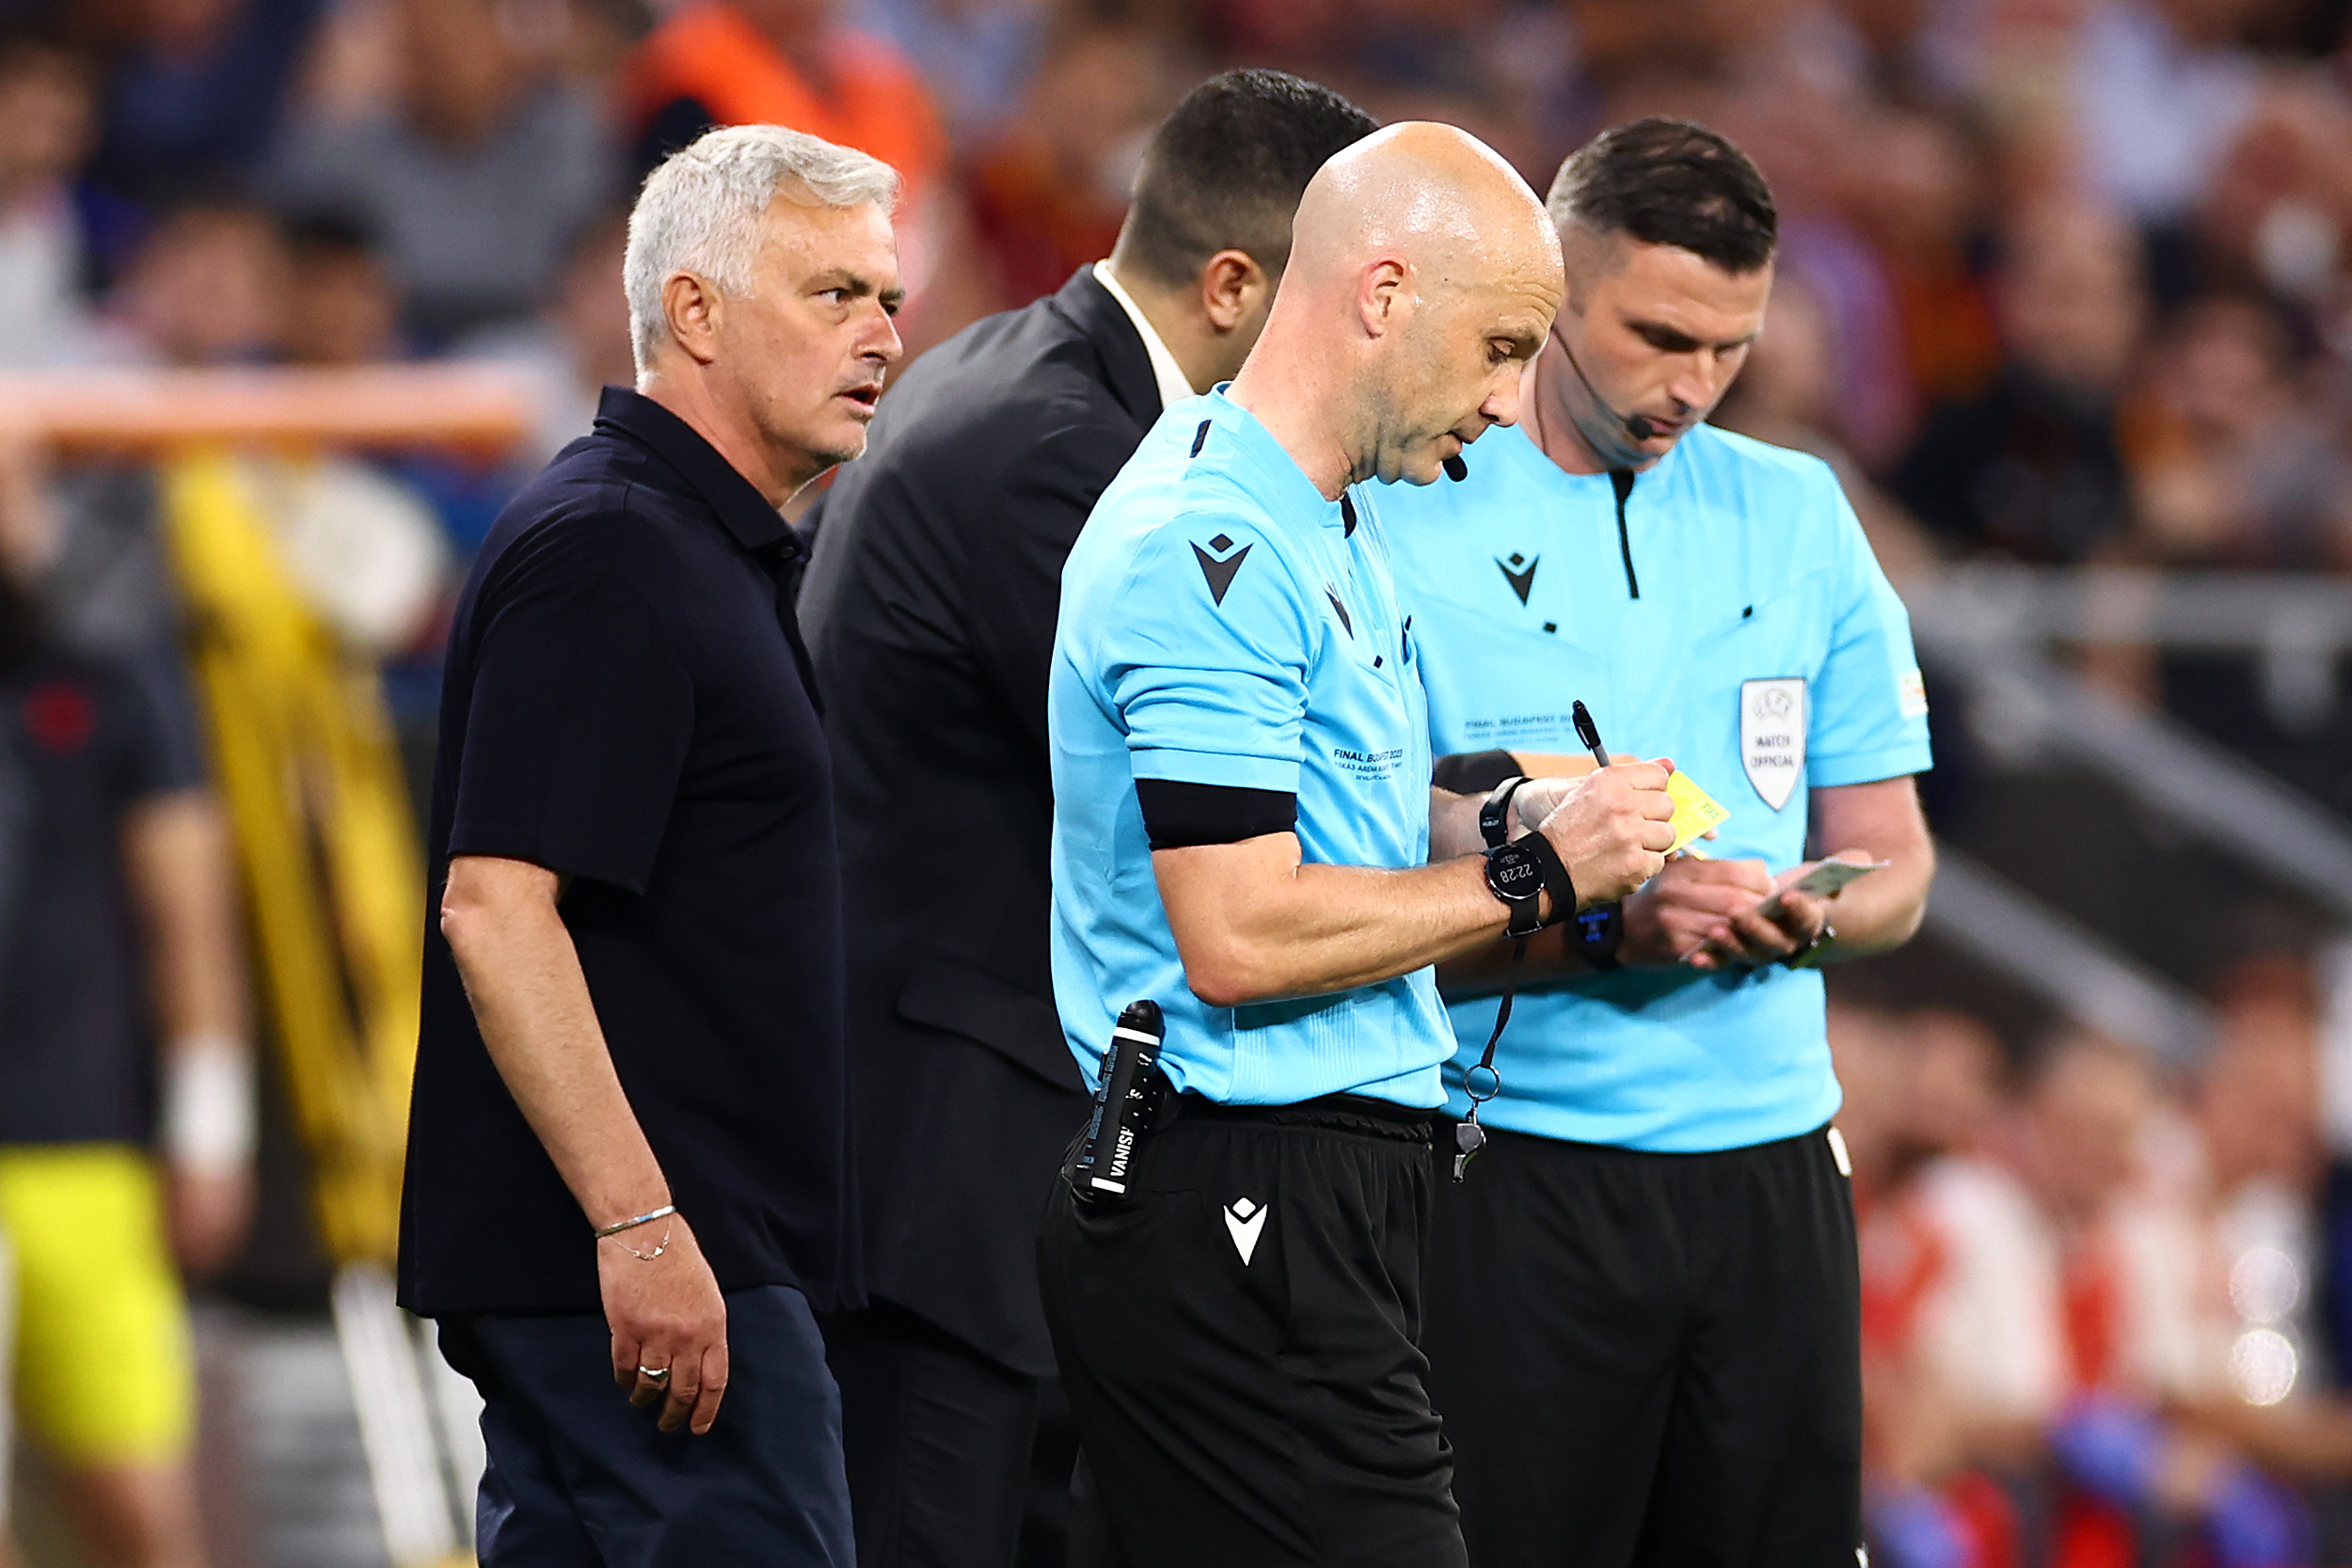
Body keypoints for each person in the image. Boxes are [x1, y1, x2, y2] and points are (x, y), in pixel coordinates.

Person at [1040, 119, 1679, 1568]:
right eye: (1504, 346)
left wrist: (1535, 817)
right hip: (1244, 1183)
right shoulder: (1209, 549)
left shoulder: (1326, 520)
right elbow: (1242, 930)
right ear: (1383, 295)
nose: (1515, 405)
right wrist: (1531, 877)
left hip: (1302, 1187)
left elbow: (1344, 828)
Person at [800, 68, 1377, 1568]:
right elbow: (1238, 815)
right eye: (1359, 304)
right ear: (1240, 286)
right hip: (956, 1180)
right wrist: (1507, 857)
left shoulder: (1015, 375)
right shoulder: (1066, 460)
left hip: (982, 1158)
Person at [1373, 117, 1938, 1567]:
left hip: (1771, 1173)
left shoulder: (1800, 514)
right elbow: (1366, 869)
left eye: (1731, 348)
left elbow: (1896, 860)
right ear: (1555, 284)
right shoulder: (1404, 503)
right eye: (1659, 333)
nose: (1693, 382)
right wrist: (1604, 917)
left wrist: (1805, 910)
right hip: (1512, 1164)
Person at [398, 123, 903, 1565]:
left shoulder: (687, 548)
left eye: (889, 301)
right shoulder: (615, 548)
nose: (881, 333)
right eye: (834, 295)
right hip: (658, 1276)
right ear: (694, 311)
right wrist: (644, 1225)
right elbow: (498, 908)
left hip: (652, 1269)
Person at [0, 486, 254, 1568]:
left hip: (75, 1140)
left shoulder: (103, 668)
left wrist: (208, 1122)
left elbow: (186, 907)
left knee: (137, 1505)